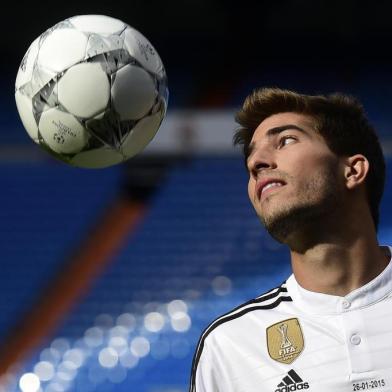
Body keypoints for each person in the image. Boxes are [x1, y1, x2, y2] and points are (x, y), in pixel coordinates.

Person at [189, 88, 392, 392]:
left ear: (353, 170)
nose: (256, 162)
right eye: (251, 157)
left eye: (285, 140)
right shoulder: (229, 345)